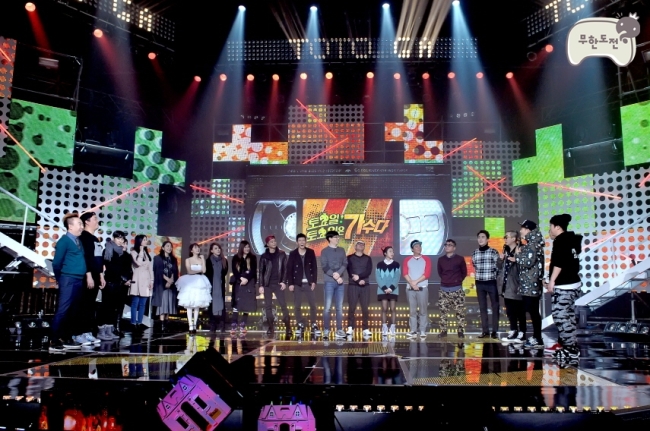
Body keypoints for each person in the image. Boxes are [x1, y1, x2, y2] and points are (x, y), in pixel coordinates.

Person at [546, 214, 583, 360]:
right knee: (568, 316)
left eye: (550, 226)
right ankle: (570, 347)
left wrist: (552, 281)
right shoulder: (571, 240)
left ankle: (570, 349)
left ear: (557, 227)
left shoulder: (561, 241)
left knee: (561, 316)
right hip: (572, 283)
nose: (550, 229)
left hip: (565, 284)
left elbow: (559, 263)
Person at [50, 212, 87, 352]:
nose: (82, 226)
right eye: (79, 224)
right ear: (70, 226)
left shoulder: (78, 241)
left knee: (73, 311)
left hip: (78, 279)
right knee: (63, 310)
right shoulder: (64, 241)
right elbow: (56, 263)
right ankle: (54, 341)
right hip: (68, 279)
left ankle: (66, 338)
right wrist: (60, 278)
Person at [516, 219, 546, 350]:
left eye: (522, 228)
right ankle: (537, 337)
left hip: (531, 284)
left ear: (528, 230)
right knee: (532, 311)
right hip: (530, 283)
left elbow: (528, 262)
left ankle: (538, 338)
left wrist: (518, 256)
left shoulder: (532, 244)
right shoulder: (532, 243)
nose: (520, 231)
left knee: (533, 311)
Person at [76, 211, 105, 345]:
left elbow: (98, 259)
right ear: (87, 222)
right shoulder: (83, 237)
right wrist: (88, 275)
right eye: (95, 219)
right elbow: (85, 258)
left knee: (91, 305)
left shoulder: (94, 239)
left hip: (96, 275)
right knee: (84, 304)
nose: (97, 221)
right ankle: (80, 333)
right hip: (87, 276)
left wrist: (101, 275)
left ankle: (87, 332)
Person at [98, 231, 132, 341]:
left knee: (114, 308)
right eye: (118, 238)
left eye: (122, 239)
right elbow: (106, 265)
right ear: (113, 238)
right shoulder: (108, 249)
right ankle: (101, 330)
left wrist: (126, 279)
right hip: (109, 282)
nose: (120, 241)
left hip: (119, 284)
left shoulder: (124, 253)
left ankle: (109, 330)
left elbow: (127, 268)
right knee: (106, 307)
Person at [287, 233, 320, 337]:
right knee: (297, 305)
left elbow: (314, 268)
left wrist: (314, 281)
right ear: (297, 242)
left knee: (313, 305)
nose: (302, 242)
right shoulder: (293, 253)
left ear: (306, 241)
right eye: (300, 240)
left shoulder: (311, 252)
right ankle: (300, 324)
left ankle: (314, 324)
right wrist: (290, 283)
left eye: (303, 240)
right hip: (297, 283)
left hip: (309, 283)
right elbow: (289, 269)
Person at [259, 235, 292, 336]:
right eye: (271, 242)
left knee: (283, 304)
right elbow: (261, 272)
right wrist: (261, 285)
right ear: (267, 244)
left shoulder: (282, 254)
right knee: (268, 306)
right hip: (267, 284)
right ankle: (271, 327)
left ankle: (288, 327)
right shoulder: (264, 256)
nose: (274, 243)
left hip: (278, 283)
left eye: (274, 241)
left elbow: (285, 269)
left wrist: (284, 282)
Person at [176, 243, 212, 335]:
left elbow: (204, 270)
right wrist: (199, 270)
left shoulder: (201, 259)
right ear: (191, 250)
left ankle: (195, 324)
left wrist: (202, 260)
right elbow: (189, 271)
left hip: (200, 281)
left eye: (198, 247)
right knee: (189, 304)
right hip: (190, 281)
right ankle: (190, 325)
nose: (197, 249)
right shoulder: (188, 260)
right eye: (195, 248)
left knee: (197, 305)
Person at [498, 231, 526, 343]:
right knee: (510, 310)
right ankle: (513, 330)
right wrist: (500, 259)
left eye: (507, 237)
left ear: (514, 239)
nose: (505, 239)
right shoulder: (506, 250)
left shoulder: (521, 249)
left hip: (517, 285)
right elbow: (499, 267)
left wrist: (517, 258)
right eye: (504, 237)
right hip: (506, 285)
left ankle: (522, 332)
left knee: (520, 310)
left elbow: (525, 265)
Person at [436, 239, 468, 339]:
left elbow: (464, 272)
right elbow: (440, 272)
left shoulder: (460, 259)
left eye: (450, 245)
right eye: (446, 245)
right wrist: (446, 280)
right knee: (443, 312)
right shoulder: (441, 260)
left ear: (454, 248)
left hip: (457, 289)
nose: (447, 246)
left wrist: (457, 281)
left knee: (460, 312)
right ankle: (444, 331)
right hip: (444, 289)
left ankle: (460, 331)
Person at [472, 230, 500, 339]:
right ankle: (485, 331)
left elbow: (498, 267)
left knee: (495, 306)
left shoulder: (493, 252)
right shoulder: (475, 253)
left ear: (487, 239)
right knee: (482, 307)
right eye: (479, 237)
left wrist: (493, 275)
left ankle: (495, 331)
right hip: (479, 283)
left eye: (483, 237)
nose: (480, 239)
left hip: (491, 282)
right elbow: (474, 265)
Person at [320, 230, 348, 339]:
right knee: (327, 307)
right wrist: (335, 275)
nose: (337, 238)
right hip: (329, 282)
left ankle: (339, 329)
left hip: (340, 282)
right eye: (335, 237)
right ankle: (326, 330)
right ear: (330, 238)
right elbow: (324, 266)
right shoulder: (324, 251)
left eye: (338, 237)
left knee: (339, 308)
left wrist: (339, 274)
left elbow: (345, 263)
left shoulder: (341, 250)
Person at [403, 239, 432, 338]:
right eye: (416, 246)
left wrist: (415, 282)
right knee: (412, 311)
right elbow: (405, 273)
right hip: (410, 289)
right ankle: (413, 331)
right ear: (412, 249)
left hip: (422, 288)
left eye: (420, 246)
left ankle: (422, 330)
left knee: (423, 311)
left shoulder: (426, 259)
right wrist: (412, 283)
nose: (419, 248)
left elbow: (427, 274)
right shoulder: (407, 259)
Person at [346, 240, 373, 339]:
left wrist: (360, 278)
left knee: (365, 308)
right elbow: (350, 271)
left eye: (363, 244)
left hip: (365, 285)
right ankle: (350, 327)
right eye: (359, 244)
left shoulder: (368, 258)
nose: (361, 245)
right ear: (355, 246)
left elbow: (368, 271)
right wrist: (357, 280)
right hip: (353, 285)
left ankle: (365, 328)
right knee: (352, 307)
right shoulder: (349, 258)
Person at [231, 240, 258, 335]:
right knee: (236, 304)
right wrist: (240, 278)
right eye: (245, 247)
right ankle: (234, 325)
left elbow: (253, 270)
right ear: (241, 248)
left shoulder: (253, 257)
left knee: (247, 304)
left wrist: (246, 279)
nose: (247, 249)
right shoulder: (236, 257)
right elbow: (234, 270)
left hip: (249, 283)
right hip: (238, 282)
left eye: (248, 247)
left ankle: (243, 325)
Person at [153, 240, 179, 332]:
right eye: (167, 246)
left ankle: (166, 324)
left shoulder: (173, 259)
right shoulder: (157, 258)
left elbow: (175, 271)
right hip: (161, 284)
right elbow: (157, 271)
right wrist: (167, 280)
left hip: (171, 285)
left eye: (170, 246)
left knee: (169, 304)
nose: (169, 248)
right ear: (163, 248)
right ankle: (161, 325)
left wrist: (171, 281)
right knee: (162, 305)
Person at [129, 234, 154, 330]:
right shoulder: (133, 252)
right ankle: (133, 322)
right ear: (139, 241)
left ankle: (139, 322)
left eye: (146, 240)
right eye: (144, 240)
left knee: (143, 304)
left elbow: (150, 269)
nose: (145, 241)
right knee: (135, 303)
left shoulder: (146, 254)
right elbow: (138, 263)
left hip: (146, 280)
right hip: (137, 279)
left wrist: (152, 280)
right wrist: (141, 251)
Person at [376, 246, 400, 338]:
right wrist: (384, 288)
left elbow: (397, 277)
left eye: (393, 251)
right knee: (384, 308)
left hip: (393, 290)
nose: (392, 253)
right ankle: (384, 327)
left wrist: (391, 288)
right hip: (382, 290)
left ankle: (393, 327)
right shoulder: (379, 264)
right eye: (390, 251)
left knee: (393, 309)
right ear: (385, 253)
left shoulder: (396, 264)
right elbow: (378, 277)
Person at [205, 242, 228, 333]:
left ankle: (222, 324)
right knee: (211, 304)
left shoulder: (224, 261)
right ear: (211, 251)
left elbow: (224, 272)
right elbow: (206, 273)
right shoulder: (208, 261)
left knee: (222, 304)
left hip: (220, 285)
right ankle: (213, 324)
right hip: (211, 286)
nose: (218, 250)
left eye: (219, 248)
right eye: (215, 248)